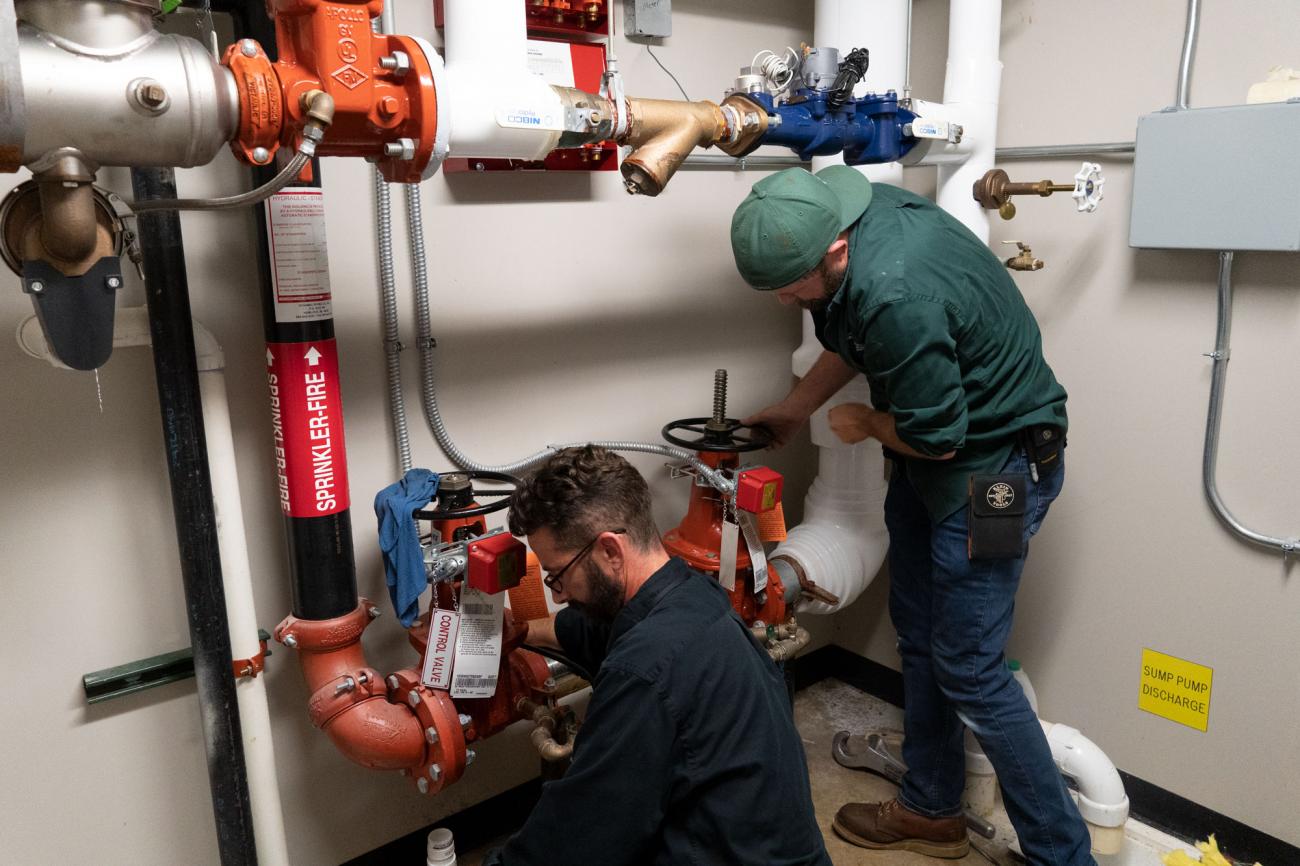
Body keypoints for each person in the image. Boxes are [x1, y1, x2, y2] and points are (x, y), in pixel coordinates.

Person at [731, 166, 1091, 865]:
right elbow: (851, 335)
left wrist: (865, 420)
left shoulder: (897, 288)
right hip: (935, 467)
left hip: (994, 471)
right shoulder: (846, 213)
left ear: (834, 249)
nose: (781, 302)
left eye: (789, 285)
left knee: (974, 672)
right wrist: (795, 409)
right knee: (923, 637)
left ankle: (1063, 857)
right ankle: (931, 809)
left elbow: (938, 434)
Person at [482, 445, 831, 866]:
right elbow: (593, 628)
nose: (558, 595)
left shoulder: (643, 674)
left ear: (610, 551)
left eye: (558, 576)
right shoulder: (693, 593)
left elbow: (570, 841)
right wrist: (520, 630)